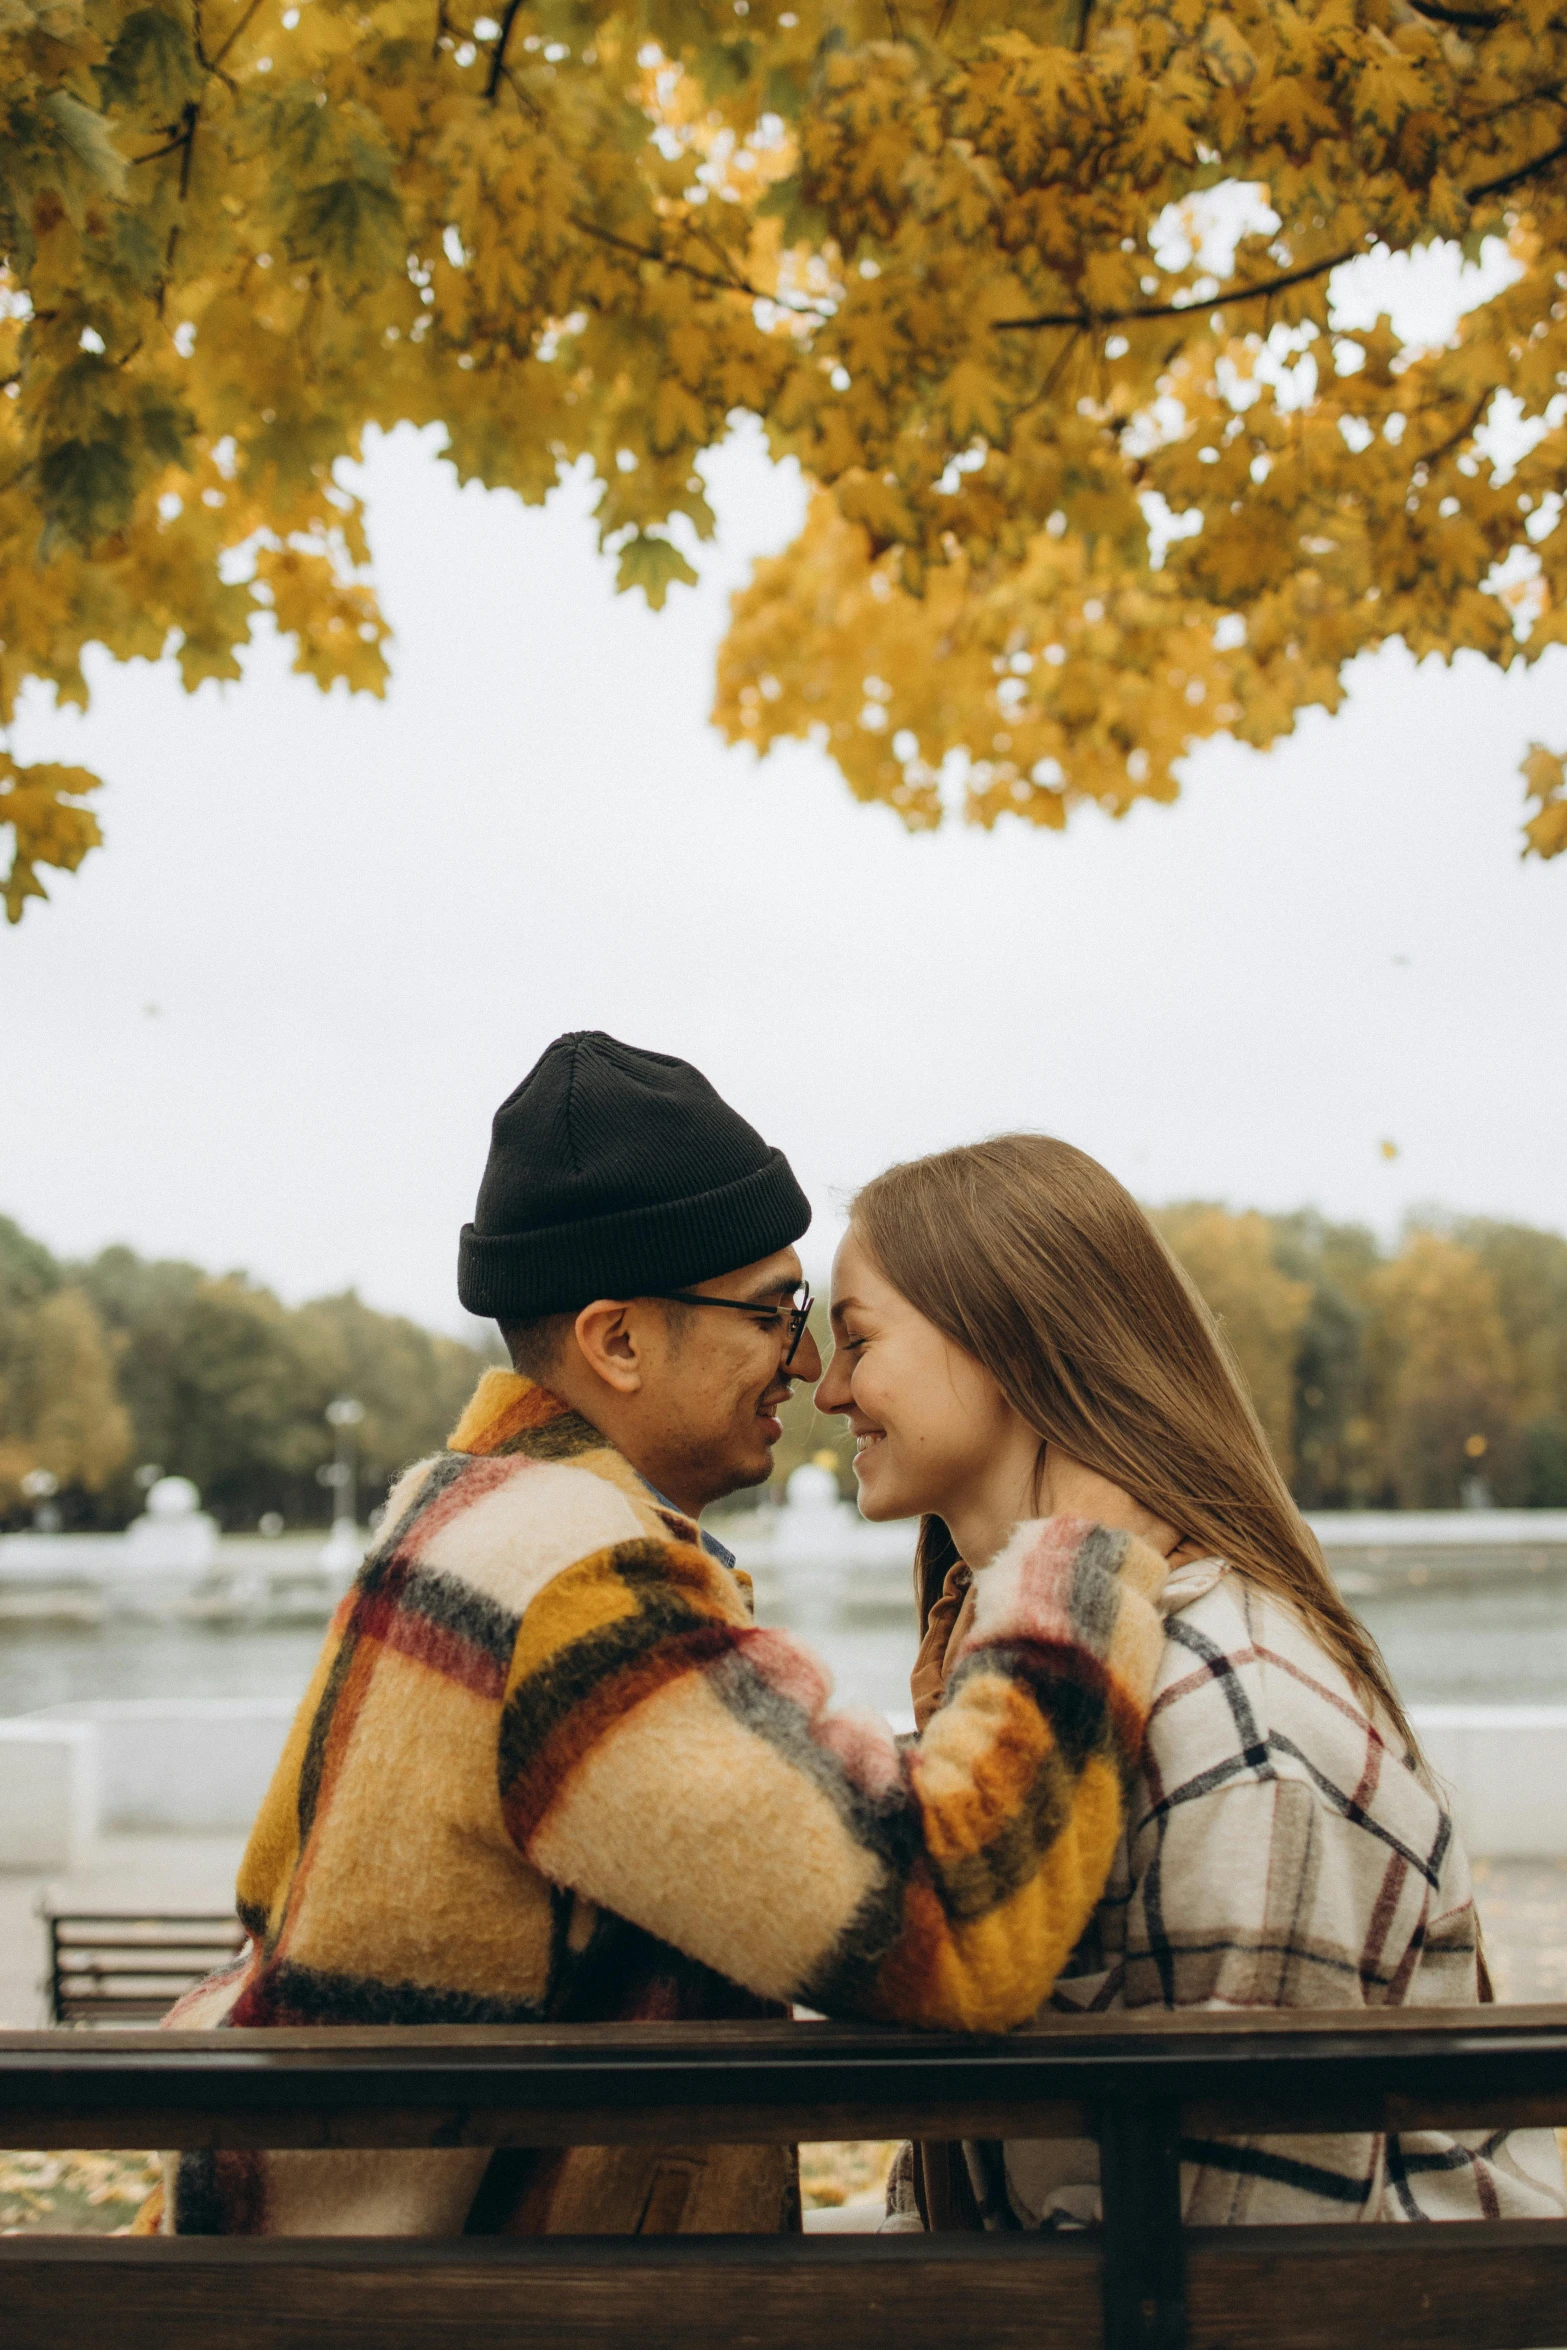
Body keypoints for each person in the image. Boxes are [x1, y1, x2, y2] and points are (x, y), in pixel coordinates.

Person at [148, 1036, 1177, 2240]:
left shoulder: (462, 1519)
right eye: (772, 1312)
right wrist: (1080, 1557)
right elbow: (957, 1924)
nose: (806, 1363)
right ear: (618, 1341)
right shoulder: (572, 1581)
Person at [810, 1132, 1567, 2232]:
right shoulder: (1034, 1666)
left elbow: (1239, 2244)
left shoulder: (1229, 1710)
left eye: (856, 1339)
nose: (826, 1389)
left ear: (1004, 1344)